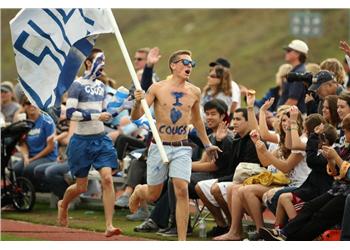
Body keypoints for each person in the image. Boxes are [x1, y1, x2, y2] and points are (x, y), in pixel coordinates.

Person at [128, 49, 221, 241]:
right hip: (159, 146)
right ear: (173, 65)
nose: (189, 66)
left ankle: (181, 241)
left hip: (182, 147)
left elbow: (197, 121)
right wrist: (137, 103)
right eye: (185, 62)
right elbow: (136, 117)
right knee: (153, 194)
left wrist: (207, 144)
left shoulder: (195, 91)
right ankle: (139, 191)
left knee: (181, 189)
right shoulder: (157, 88)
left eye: (191, 64)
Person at [57, 48, 121, 238]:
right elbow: (70, 114)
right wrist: (97, 115)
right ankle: (64, 204)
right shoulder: (77, 85)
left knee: (107, 179)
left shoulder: (101, 87)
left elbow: (104, 114)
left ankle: (109, 225)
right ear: (88, 63)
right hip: (81, 142)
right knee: (81, 187)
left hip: (101, 139)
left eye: (104, 62)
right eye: (99, 61)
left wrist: (121, 105)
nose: (103, 65)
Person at [277, 39, 309, 113]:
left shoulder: (298, 73)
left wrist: (279, 115)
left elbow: (292, 101)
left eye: (289, 51)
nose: (286, 53)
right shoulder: (297, 71)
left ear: (297, 54)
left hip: (293, 116)